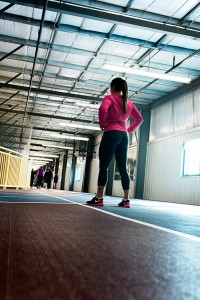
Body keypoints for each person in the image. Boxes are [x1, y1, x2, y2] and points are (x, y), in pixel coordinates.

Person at [86, 78, 143, 208]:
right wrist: (128, 130)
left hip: (111, 133)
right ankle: (126, 199)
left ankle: (99, 197)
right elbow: (139, 119)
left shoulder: (110, 98)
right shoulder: (128, 102)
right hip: (124, 136)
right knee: (123, 168)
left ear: (112, 87)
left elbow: (102, 110)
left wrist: (102, 124)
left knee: (104, 166)